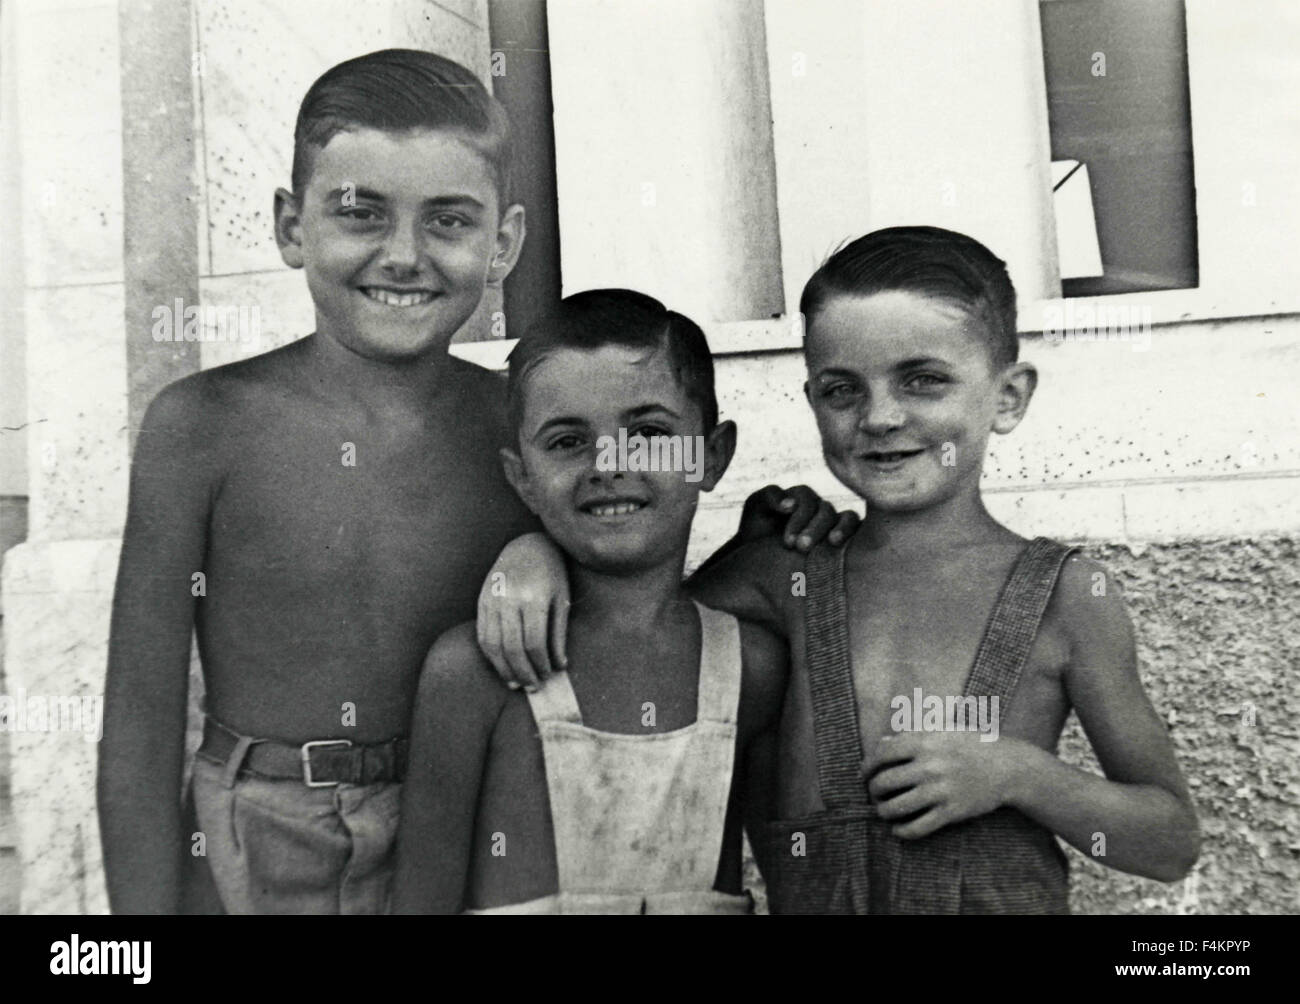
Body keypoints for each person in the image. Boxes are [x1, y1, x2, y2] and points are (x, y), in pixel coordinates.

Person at [98, 47, 843, 914]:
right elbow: (140, 730)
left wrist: (540, 549)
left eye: (448, 221)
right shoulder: (201, 424)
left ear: (505, 244)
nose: (404, 256)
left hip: (473, 817)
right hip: (257, 835)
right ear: (291, 225)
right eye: (360, 214)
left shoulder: (530, 430)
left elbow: (628, 580)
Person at [479, 226, 1201, 913]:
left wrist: (1018, 773)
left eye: (922, 381)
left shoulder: (1064, 598)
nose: (881, 416)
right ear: (812, 402)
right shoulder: (782, 574)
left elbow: (1168, 842)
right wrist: (532, 553)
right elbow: (629, 628)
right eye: (842, 389)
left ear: (1007, 397)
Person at [392, 290, 788, 914]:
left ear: (712, 456)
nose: (608, 464)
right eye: (568, 441)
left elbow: (797, 880)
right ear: (521, 476)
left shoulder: (752, 669)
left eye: (650, 433)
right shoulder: (474, 671)